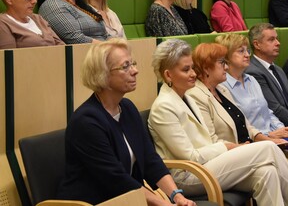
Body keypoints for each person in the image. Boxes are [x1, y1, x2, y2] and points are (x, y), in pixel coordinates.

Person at [148, 39, 288, 205]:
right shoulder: (164, 106)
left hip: (208, 164)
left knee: (266, 172)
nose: (193, 73)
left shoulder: (187, 96)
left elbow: (210, 141)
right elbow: (190, 156)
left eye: (191, 67)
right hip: (189, 175)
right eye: (186, 70)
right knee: (267, 148)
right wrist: (228, 147)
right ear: (168, 75)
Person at [57, 38, 195, 206]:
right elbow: (115, 179)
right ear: (103, 74)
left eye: (133, 64)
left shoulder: (127, 108)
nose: (135, 71)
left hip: (127, 200)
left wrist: (177, 196)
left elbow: (150, 159)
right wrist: (163, 204)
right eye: (125, 66)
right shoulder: (86, 122)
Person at [186, 42, 288, 174]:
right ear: (206, 68)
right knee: (276, 164)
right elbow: (212, 141)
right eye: (222, 63)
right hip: (227, 157)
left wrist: (269, 140)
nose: (227, 67)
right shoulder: (196, 96)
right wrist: (248, 147)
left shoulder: (222, 89)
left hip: (246, 148)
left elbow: (248, 126)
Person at [214, 34, 288, 139]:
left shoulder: (251, 79)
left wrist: (282, 128)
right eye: (241, 51)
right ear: (226, 57)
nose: (247, 55)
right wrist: (268, 135)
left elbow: (267, 112)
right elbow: (237, 124)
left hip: (273, 135)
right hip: (253, 141)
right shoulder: (222, 87)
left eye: (247, 50)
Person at [0, 0, 64, 49]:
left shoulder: (38, 19)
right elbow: (9, 58)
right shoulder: (3, 23)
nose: (34, 1)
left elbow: (62, 47)